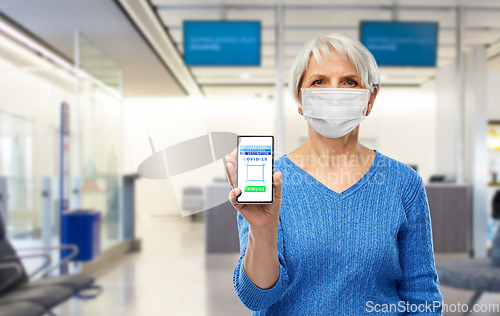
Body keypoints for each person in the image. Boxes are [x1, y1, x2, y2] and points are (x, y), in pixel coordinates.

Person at [224, 33, 444, 315]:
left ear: (370, 97)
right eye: (319, 81)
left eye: (350, 82)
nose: (335, 92)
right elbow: (256, 299)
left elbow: (422, 294)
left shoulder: (403, 183)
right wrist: (262, 228)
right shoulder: (271, 180)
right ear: (299, 98)